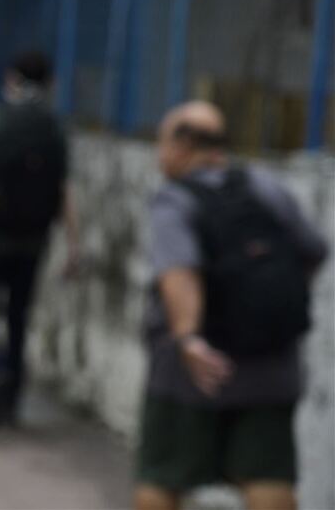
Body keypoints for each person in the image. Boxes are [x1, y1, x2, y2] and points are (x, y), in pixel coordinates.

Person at [134, 101, 329, 510]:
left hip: (193, 372)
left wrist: (188, 337)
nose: (159, 153)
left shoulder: (175, 200)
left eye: (164, 141)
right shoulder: (264, 185)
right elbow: (313, 249)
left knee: (161, 478)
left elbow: (178, 271)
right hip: (271, 365)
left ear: (184, 145)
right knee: (267, 477)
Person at [0, 50, 78, 429]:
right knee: (17, 318)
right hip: (33, 240)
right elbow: (64, 190)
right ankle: (12, 402)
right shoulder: (54, 127)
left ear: (12, 78)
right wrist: (73, 245)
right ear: (51, 82)